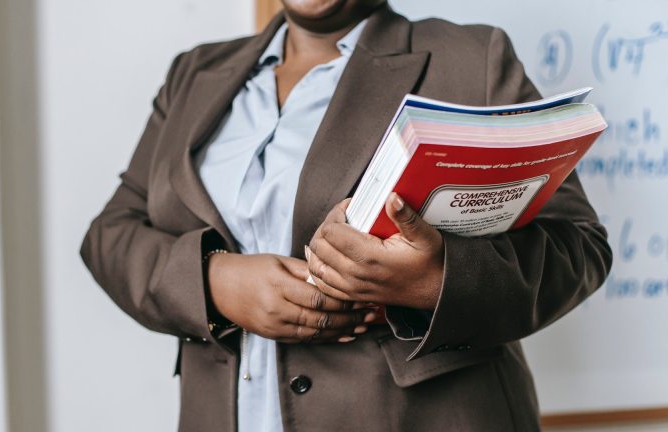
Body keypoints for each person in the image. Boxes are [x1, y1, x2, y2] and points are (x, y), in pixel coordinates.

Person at [80, 1, 613, 430]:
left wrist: (434, 279)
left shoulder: (471, 58)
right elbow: (111, 235)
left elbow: (579, 247)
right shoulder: (194, 73)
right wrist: (214, 282)